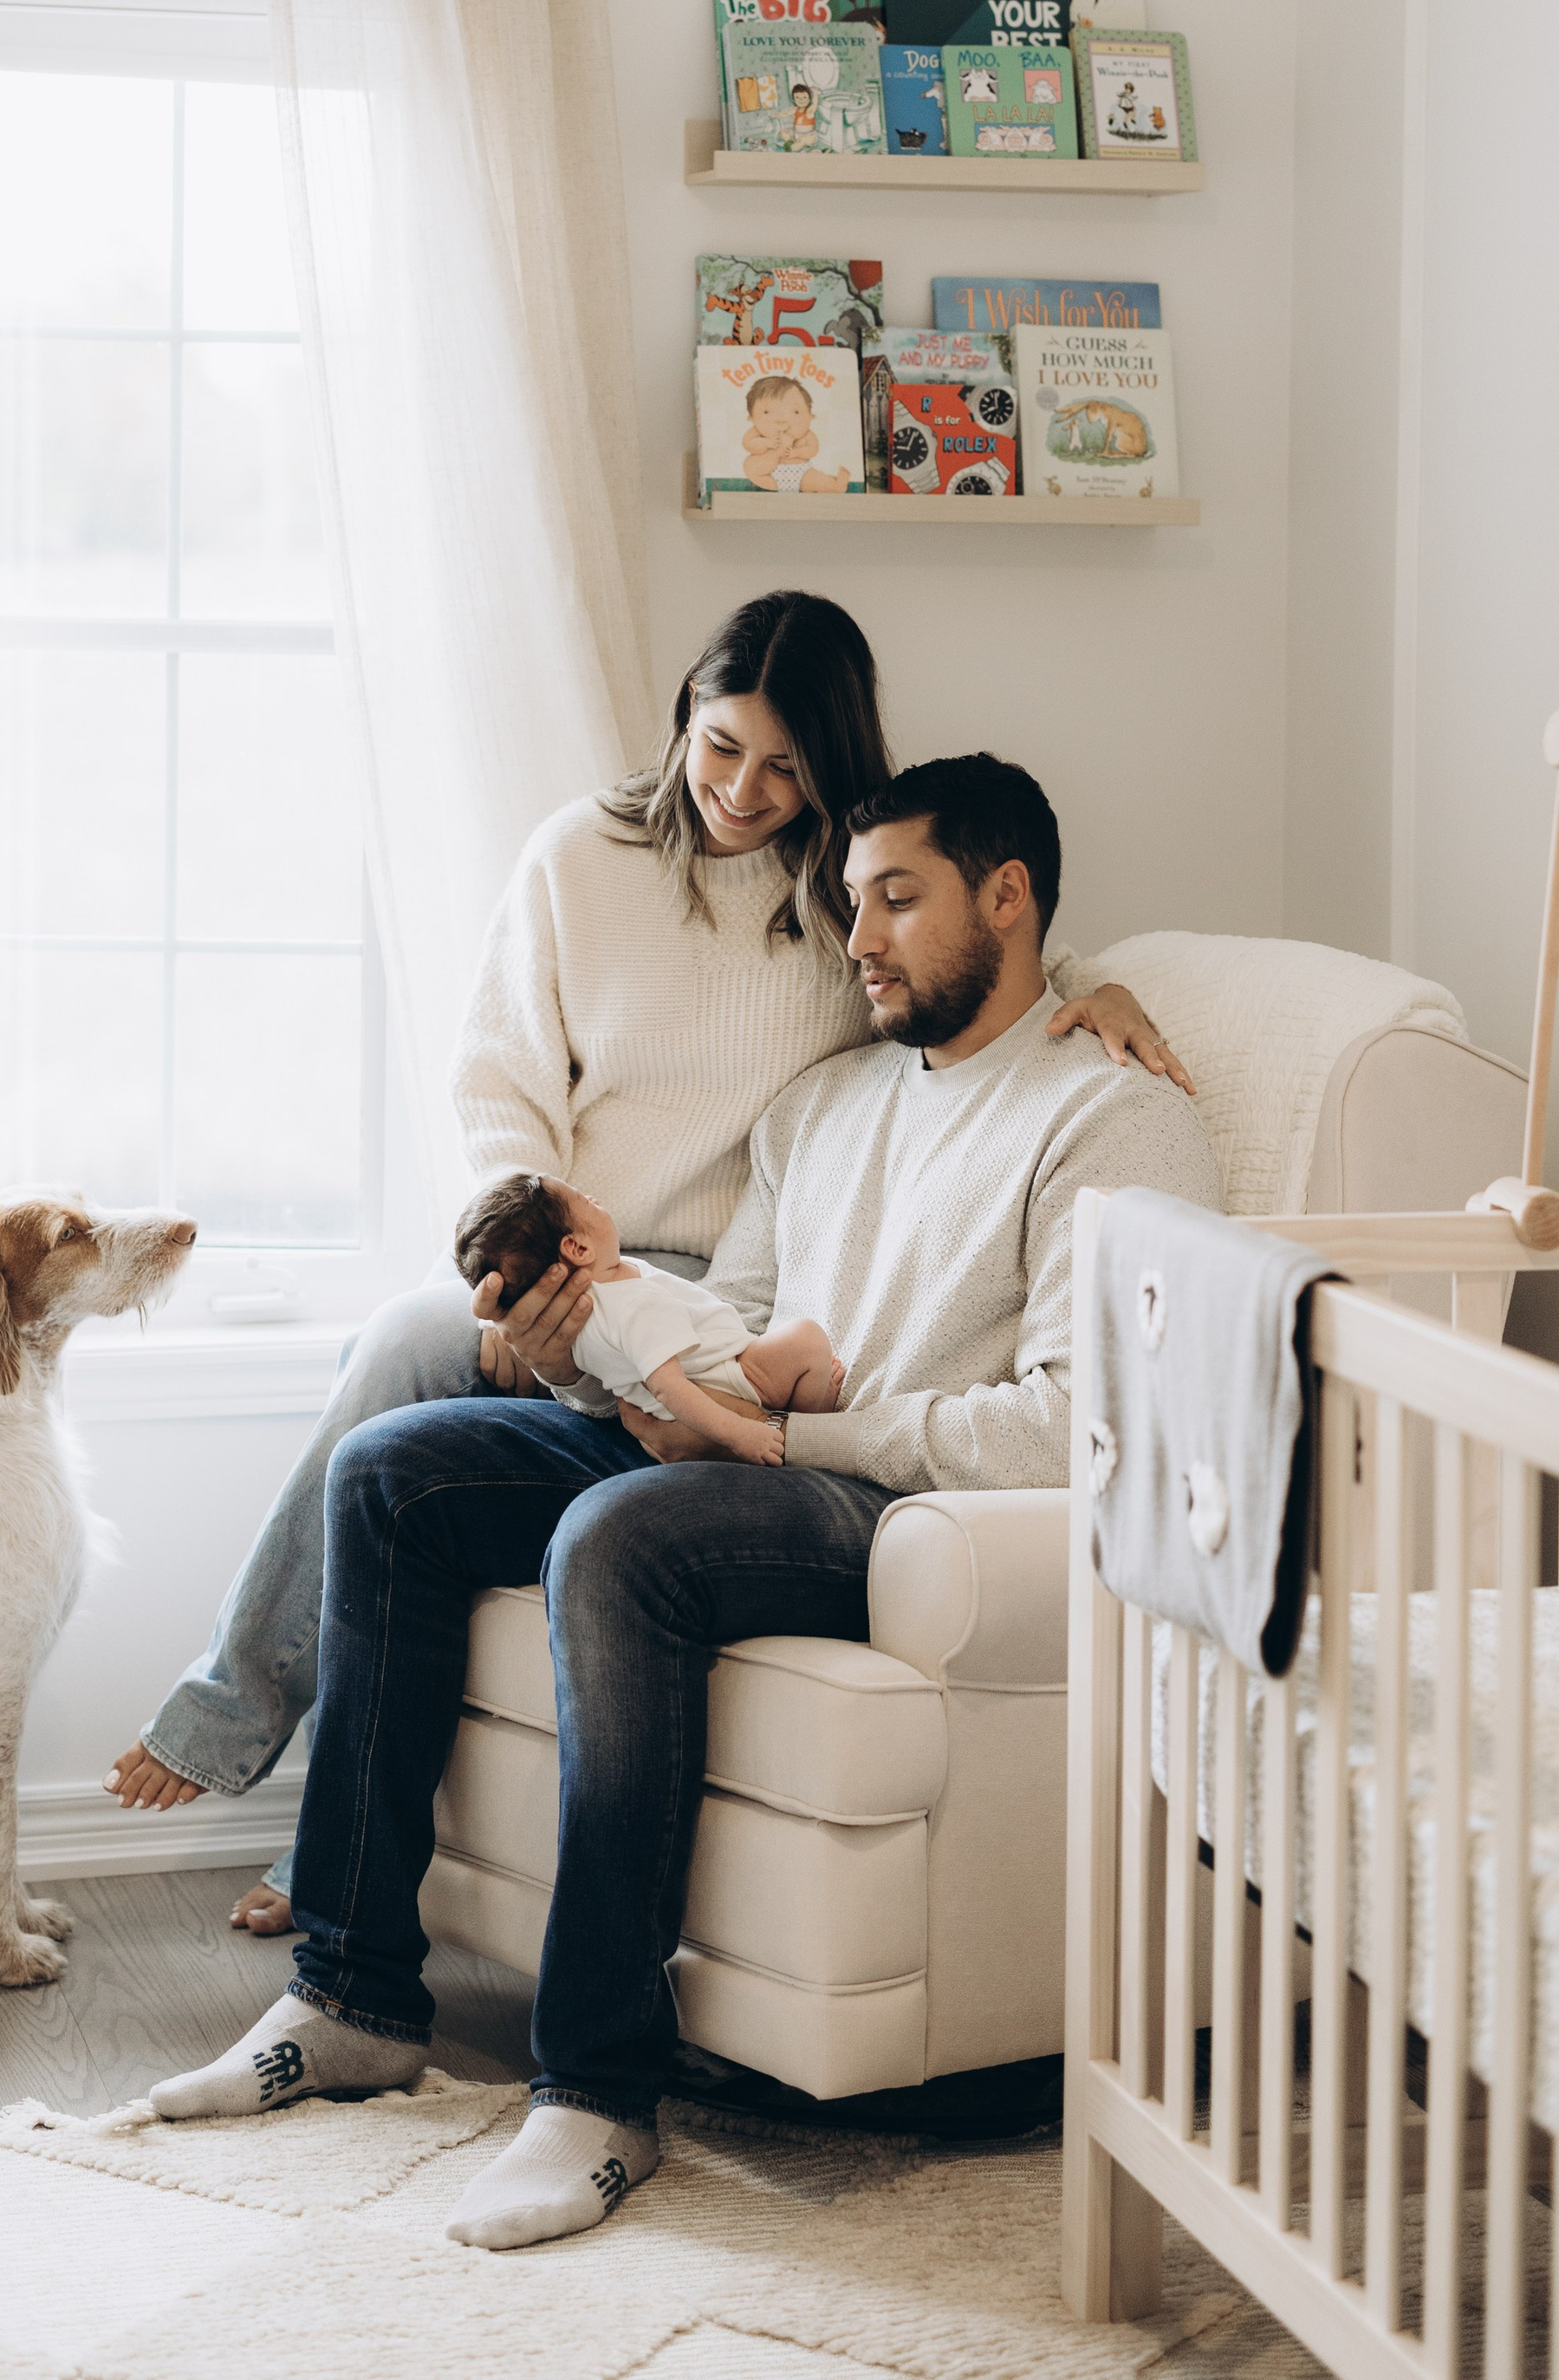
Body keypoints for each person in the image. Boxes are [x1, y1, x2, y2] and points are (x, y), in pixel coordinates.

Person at [140, 751, 1224, 2254]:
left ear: (1009, 897)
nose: (858, 941)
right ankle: (352, 1996)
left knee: (620, 1538)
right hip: (746, 1454)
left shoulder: (1108, 1119)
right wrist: (603, 1344)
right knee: (398, 1471)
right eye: (853, 902)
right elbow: (737, 1334)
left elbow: (1075, 1426)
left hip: (891, 1511)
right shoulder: (827, 1107)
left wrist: (786, 1453)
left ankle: (595, 2092)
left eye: (896, 900)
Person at [102, 594, 1188, 1929]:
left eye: (787, 767)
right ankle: (252, 1739)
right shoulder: (580, 859)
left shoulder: (836, 886)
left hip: (731, 1284)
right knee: (397, 1365)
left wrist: (1103, 984)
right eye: (722, 747)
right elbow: (501, 1077)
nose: (744, 790)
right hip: (587, 1245)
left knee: (483, 1457)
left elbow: (969, 957)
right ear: (685, 715)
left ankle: (319, 1819)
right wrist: (532, 1266)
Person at [454, 1170, 845, 1460]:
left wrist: (494, 1315)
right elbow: (669, 1389)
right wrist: (741, 1433)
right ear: (577, 1247)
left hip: (690, 1393)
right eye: (584, 1201)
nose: (593, 1196)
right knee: (807, 1340)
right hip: (730, 1377)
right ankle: (814, 1415)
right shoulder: (632, 1305)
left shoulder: (591, 1301)